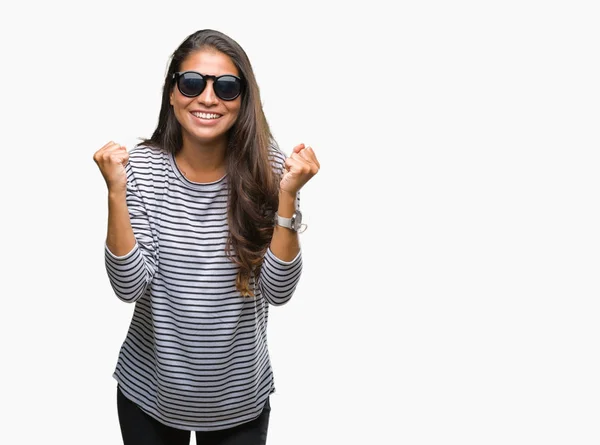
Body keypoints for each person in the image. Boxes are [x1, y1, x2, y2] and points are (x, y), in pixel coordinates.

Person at [92, 29, 320, 445]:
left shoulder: (270, 167)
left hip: (240, 402)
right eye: (192, 83)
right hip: (149, 394)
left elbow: (279, 290)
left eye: (227, 87)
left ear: (244, 98)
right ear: (173, 93)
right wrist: (115, 192)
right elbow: (128, 286)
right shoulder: (139, 169)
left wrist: (287, 194)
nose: (208, 98)